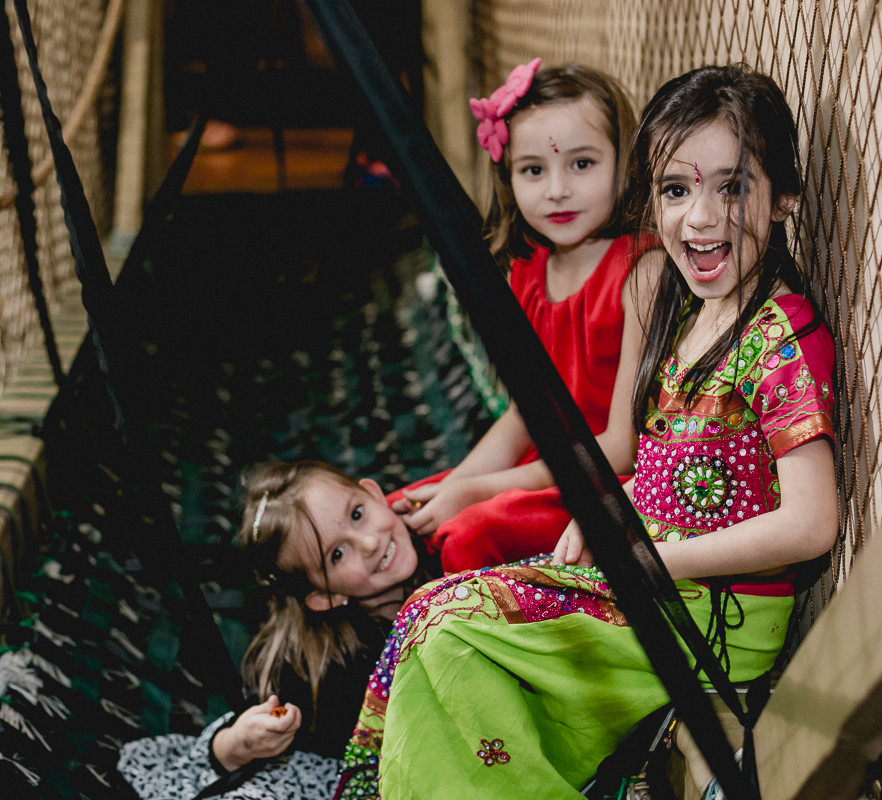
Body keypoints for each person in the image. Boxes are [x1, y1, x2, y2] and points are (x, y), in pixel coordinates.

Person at [336, 64, 839, 800]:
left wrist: (648, 559)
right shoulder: (690, 315)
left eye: (730, 187)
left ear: (785, 197)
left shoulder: (780, 337)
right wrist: (614, 509)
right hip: (663, 581)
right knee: (426, 613)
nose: (698, 218)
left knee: (452, 634)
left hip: (716, 613)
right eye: (676, 189)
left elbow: (811, 523)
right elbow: (670, 465)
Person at [389, 59, 658, 573]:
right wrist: (454, 484)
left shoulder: (642, 273)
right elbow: (522, 416)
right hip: (543, 470)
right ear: (508, 177)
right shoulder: (526, 272)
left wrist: (474, 493)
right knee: (402, 508)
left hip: (606, 483)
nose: (556, 190)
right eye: (533, 170)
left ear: (624, 162)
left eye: (582, 164)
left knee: (465, 533)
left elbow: (621, 449)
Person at [118, 461, 437, 800]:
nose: (370, 542)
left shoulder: (441, 538)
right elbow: (256, 719)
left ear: (374, 493)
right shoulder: (319, 667)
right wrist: (236, 745)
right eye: (337, 555)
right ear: (321, 596)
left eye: (357, 514)